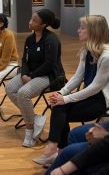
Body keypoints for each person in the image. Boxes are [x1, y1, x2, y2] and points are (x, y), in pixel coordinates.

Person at [33, 15, 109, 166]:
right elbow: (77, 77)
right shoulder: (87, 50)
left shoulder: (108, 56)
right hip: (92, 96)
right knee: (58, 107)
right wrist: (61, 93)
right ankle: (58, 150)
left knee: (60, 110)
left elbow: (96, 87)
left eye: (82, 28)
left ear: (93, 31)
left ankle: (56, 150)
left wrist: (66, 99)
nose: (78, 31)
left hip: (105, 101)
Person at [5, 9, 65, 147]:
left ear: (43, 24)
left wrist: (31, 76)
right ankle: (35, 117)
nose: (30, 22)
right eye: (31, 19)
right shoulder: (30, 38)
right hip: (30, 74)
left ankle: (30, 128)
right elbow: (25, 60)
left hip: (50, 76)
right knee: (10, 88)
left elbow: (49, 64)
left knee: (23, 93)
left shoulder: (51, 39)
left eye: (34, 21)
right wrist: (25, 74)